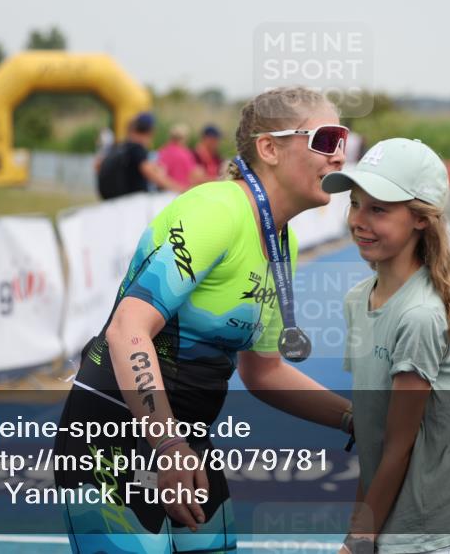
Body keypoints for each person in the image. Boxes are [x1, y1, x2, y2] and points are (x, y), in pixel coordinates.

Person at [54, 87, 354, 554]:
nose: (338, 155)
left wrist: (356, 419)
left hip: (185, 437)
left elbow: (263, 371)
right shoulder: (217, 210)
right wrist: (169, 447)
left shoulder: (281, 241)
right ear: (269, 148)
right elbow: (127, 329)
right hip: (115, 431)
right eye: (325, 139)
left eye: (343, 140)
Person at [322, 138, 450, 554]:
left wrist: (360, 539)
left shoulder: (420, 316)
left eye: (379, 209)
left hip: (443, 528)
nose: (358, 221)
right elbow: (372, 429)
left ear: (421, 219)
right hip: (397, 518)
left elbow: (397, 443)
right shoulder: (357, 300)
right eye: (355, 204)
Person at [97, 113, 184, 199]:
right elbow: (153, 175)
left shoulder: (119, 146)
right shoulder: (136, 149)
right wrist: (181, 190)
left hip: (112, 200)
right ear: (151, 132)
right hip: (131, 200)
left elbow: (97, 165)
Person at [157, 123, 201, 189]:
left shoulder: (162, 152)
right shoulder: (186, 154)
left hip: (166, 192)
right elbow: (194, 175)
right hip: (182, 191)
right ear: (185, 138)